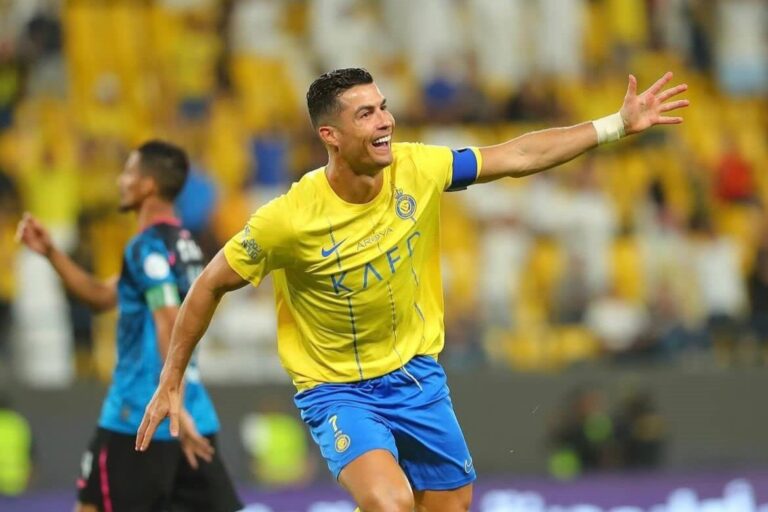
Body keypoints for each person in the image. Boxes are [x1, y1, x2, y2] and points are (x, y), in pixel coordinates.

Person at [136, 68, 688, 511]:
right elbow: (208, 285)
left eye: (383, 107)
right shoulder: (288, 220)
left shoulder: (418, 168)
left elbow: (515, 156)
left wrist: (615, 125)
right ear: (330, 136)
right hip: (338, 389)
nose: (385, 121)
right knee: (389, 502)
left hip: (417, 378)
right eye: (366, 114)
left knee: (451, 504)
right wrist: (172, 377)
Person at [17, 141, 241, 512]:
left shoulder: (144, 249)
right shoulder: (186, 246)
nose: (121, 181)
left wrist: (173, 400)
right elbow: (101, 297)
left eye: (128, 173)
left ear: (148, 185)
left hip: (139, 419)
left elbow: (168, 318)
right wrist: (52, 253)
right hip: (194, 417)